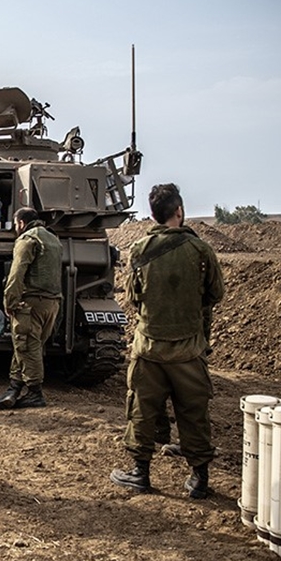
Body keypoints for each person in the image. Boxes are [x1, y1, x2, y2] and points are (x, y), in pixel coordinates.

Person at [110, 183, 225, 499]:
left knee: (142, 410)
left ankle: (140, 473)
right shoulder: (201, 250)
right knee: (194, 412)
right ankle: (199, 478)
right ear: (179, 211)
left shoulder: (140, 249)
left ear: (153, 215)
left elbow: (133, 297)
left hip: (149, 348)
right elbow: (216, 293)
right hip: (189, 349)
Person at [0, 207, 62, 409]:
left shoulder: (27, 239)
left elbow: (16, 274)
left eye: (15, 224)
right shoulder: (52, 239)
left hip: (31, 302)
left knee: (26, 345)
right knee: (28, 345)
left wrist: (10, 302)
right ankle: (14, 387)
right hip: (52, 303)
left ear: (21, 223)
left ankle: (34, 392)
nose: (15, 228)